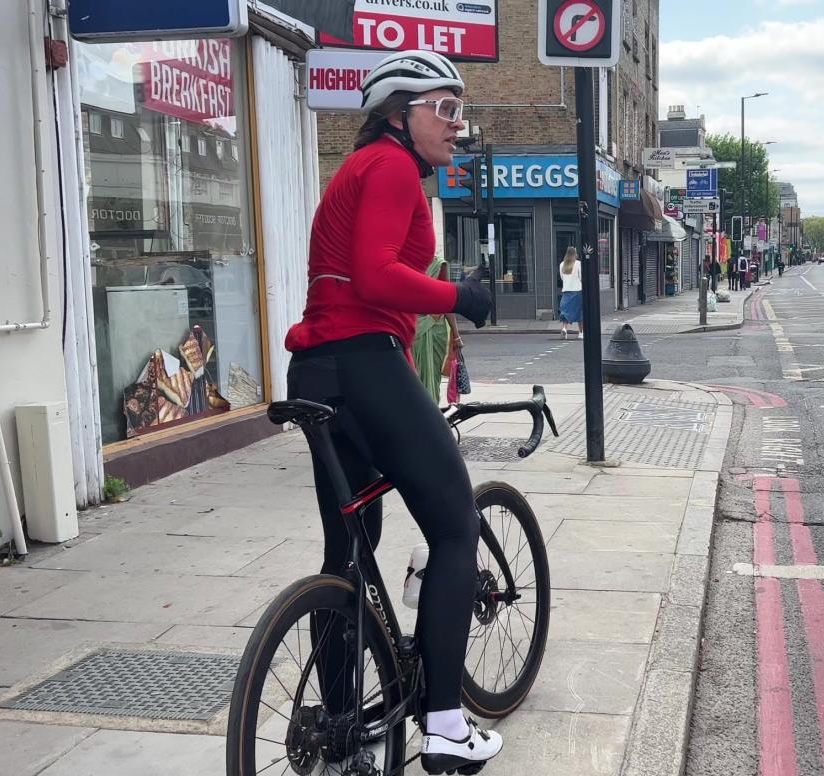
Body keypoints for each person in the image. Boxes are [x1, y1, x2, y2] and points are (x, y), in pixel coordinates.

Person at [283, 50, 502, 771]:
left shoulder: (360, 171)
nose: (455, 122)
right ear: (398, 113)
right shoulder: (389, 167)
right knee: (455, 524)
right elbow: (378, 275)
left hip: (319, 370)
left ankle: (344, 727)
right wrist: (462, 296)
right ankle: (444, 723)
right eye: (443, 107)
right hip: (366, 363)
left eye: (458, 109)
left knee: (347, 553)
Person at [412, 255, 462, 402]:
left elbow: (446, 301)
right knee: (413, 376)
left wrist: (456, 335)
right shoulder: (400, 262)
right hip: (411, 328)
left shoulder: (438, 264)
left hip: (435, 328)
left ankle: (431, 410)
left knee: (433, 377)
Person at [558, 246, 583, 339]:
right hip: (577, 291)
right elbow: (581, 277)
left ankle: (564, 328)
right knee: (579, 313)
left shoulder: (562, 264)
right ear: (575, 254)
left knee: (565, 312)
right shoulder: (578, 264)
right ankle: (581, 333)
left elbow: (562, 277)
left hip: (566, 291)